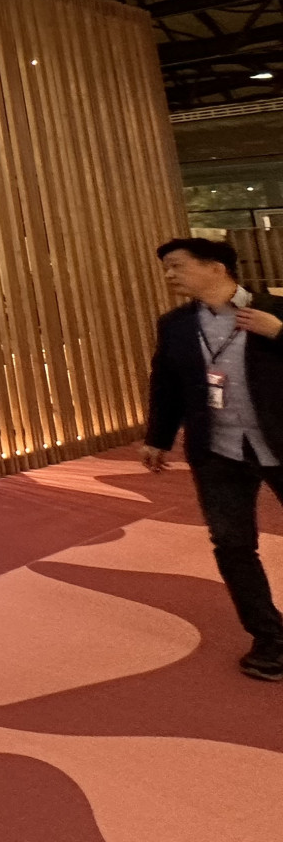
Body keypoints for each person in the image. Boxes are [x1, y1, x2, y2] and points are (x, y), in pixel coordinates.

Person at [141, 238, 283, 682]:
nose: (169, 275)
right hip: (217, 451)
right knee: (233, 545)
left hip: (280, 445)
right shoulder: (176, 325)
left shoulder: (275, 310)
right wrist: (158, 438)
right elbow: (166, 384)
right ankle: (269, 640)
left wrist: (280, 333)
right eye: (166, 268)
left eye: (177, 266)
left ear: (217, 267)